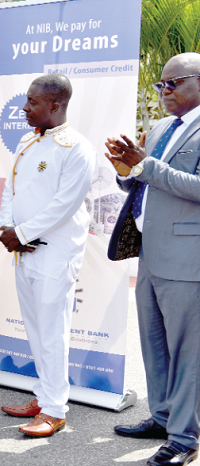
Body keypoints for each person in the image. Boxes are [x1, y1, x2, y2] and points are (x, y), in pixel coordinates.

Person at [106, 53, 200, 466]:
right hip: (149, 251)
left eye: (173, 83)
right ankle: (162, 417)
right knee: (154, 344)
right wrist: (125, 168)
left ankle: (184, 438)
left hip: (187, 257)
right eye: (161, 85)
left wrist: (146, 166)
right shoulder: (161, 127)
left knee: (187, 352)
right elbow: (140, 179)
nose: (164, 92)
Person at [0, 74, 96, 437]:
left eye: (33, 102)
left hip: (54, 253)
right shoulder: (27, 140)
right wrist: (8, 228)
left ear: (55, 105)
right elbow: (12, 189)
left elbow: (64, 206)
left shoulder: (77, 148)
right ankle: (43, 395)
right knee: (36, 329)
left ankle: (55, 411)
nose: (25, 108)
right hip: (23, 251)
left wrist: (20, 233)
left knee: (53, 332)